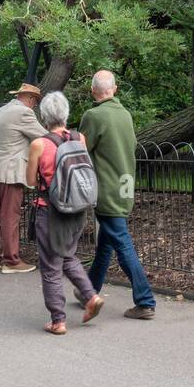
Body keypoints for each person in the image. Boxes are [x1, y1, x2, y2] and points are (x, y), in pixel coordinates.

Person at [25, 91, 105, 335]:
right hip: (78, 208)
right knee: (68, 255)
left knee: (50, 266)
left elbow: (30, 181)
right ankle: (90, 297)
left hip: (50, 210)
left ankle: (58, 320)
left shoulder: (39, 144)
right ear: (66, 113)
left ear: (44, 115)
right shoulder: (79, 138)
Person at [78, 70, 155, 319]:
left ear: (93, 91)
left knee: (120, 242)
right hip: (125, 185)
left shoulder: (93, 115)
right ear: (116, 89)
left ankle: (145, 301)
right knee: (106, 244)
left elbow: (81, 151)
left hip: (107, 188)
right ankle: (88, 292)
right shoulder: (125, 115)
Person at [0, 82, 46, 274]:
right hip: (10, 173)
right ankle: (11, 261)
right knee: (10, 216)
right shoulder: (23, 113)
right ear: (31, 99)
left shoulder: (2, 110)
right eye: (34, 102)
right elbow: (44, 137)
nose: (34, 106)